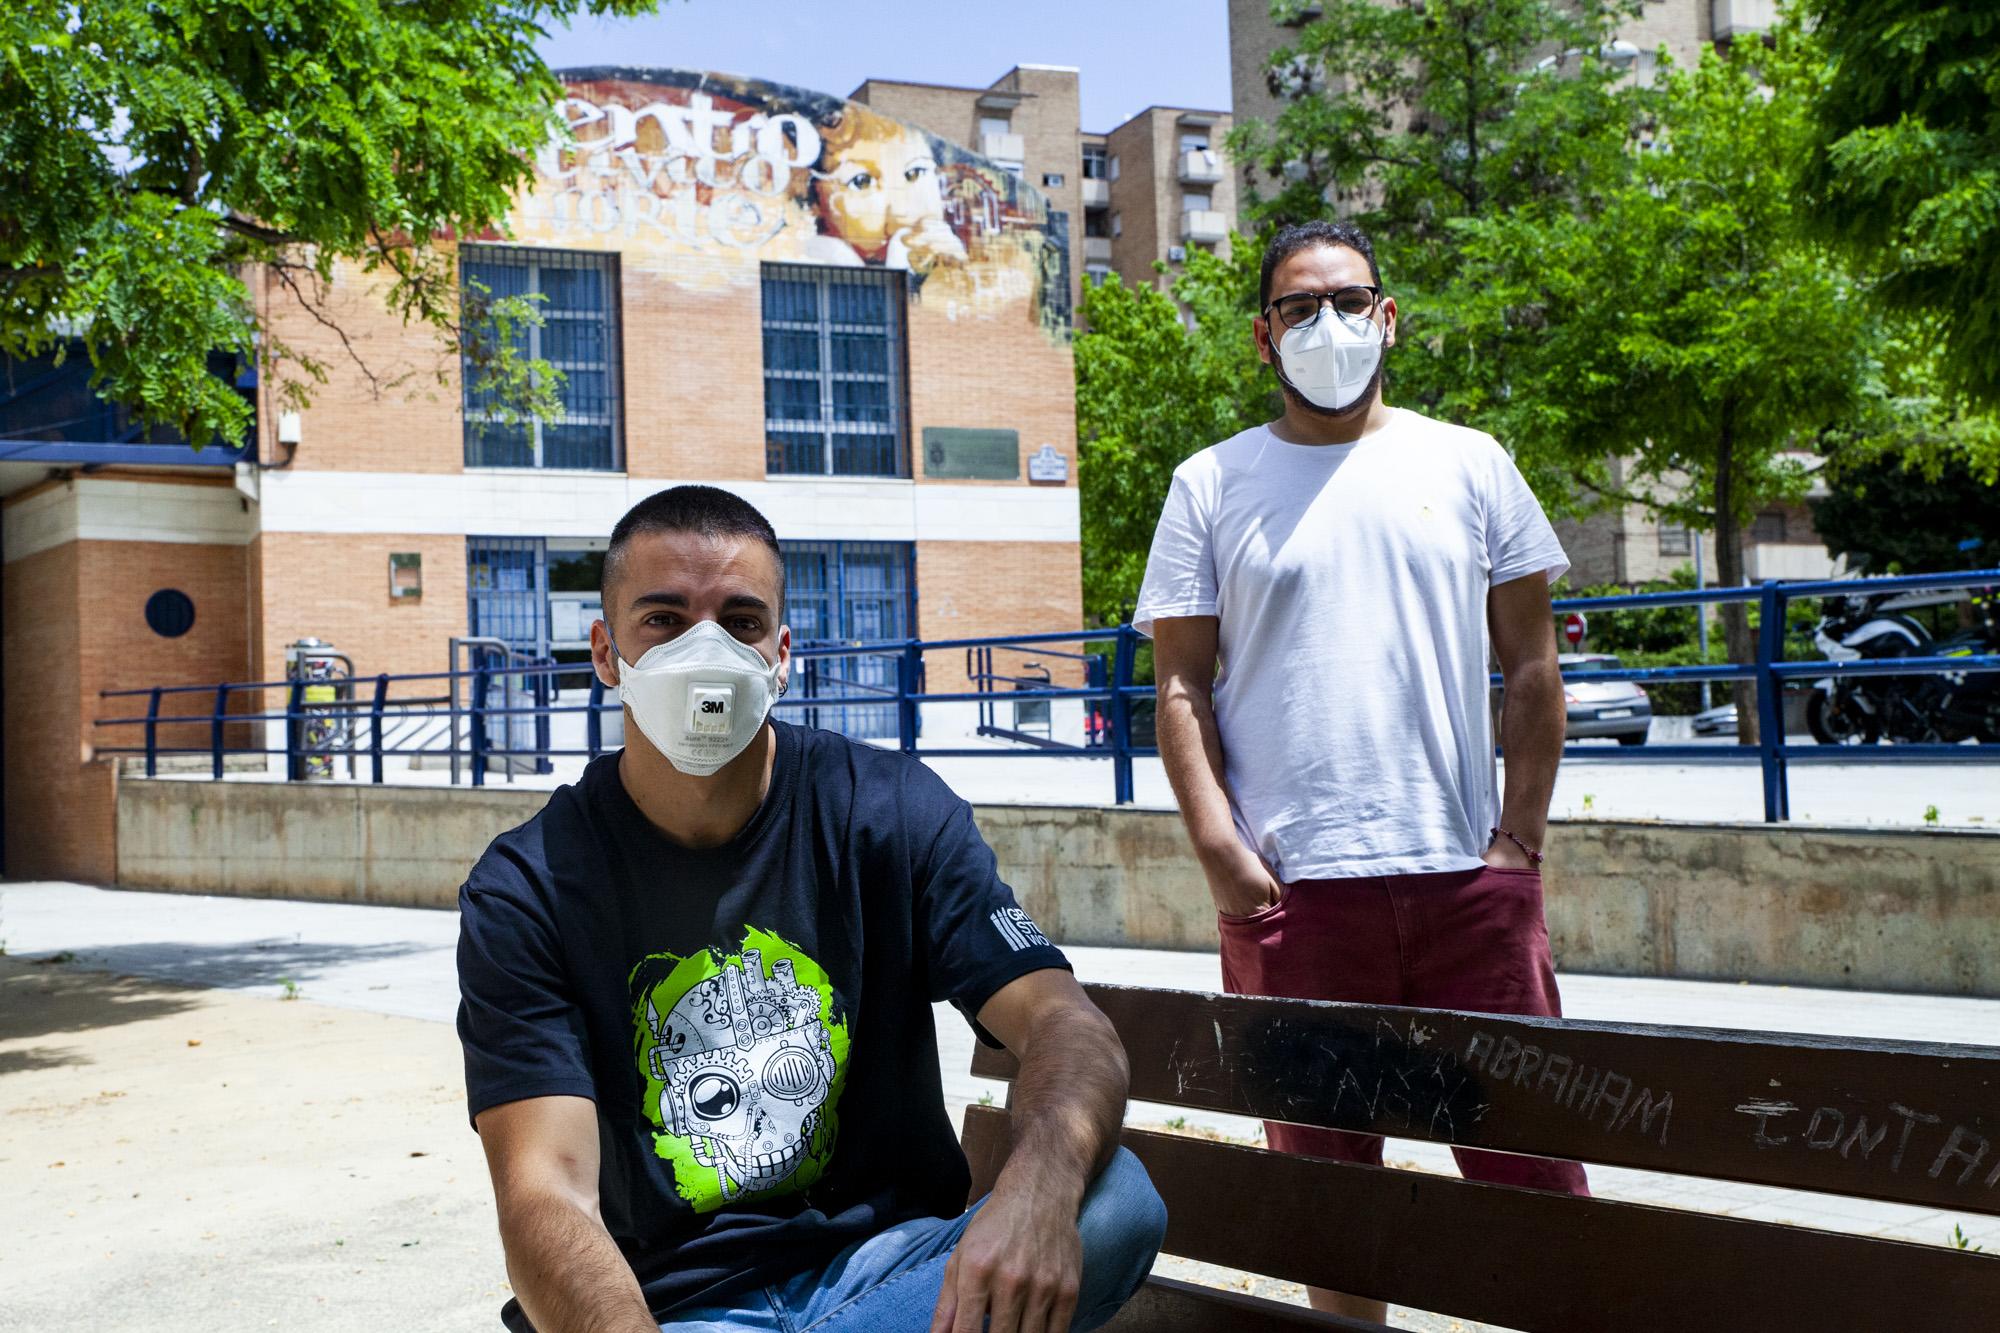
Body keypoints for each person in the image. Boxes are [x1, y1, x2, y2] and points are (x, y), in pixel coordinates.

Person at [456, 485, 1164, 1333]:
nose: (706, 650)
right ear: (606, 652)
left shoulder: (887, 811)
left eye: (741, 621)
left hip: (894, 1271)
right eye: (664, 620)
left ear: (781, 653)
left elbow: (1066, 1025)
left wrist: (1039, 1191)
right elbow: (545, 1195)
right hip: (673, 1308)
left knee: (1114, 1195)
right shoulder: (529, 886)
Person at [1135, 220, 1586, 1323]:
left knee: (1531, 1173)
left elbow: (1529, 662)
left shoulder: (1468, 461)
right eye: (1298, 306)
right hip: (1295, 897)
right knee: (1326, 1188)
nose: (1325, 324)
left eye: (1348, 299)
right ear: (1262, 335)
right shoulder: (1210, 482)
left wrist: (1516, 843)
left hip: (1466, 887)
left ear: (1387, 317)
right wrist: (1222, 857)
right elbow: (1180, 686)